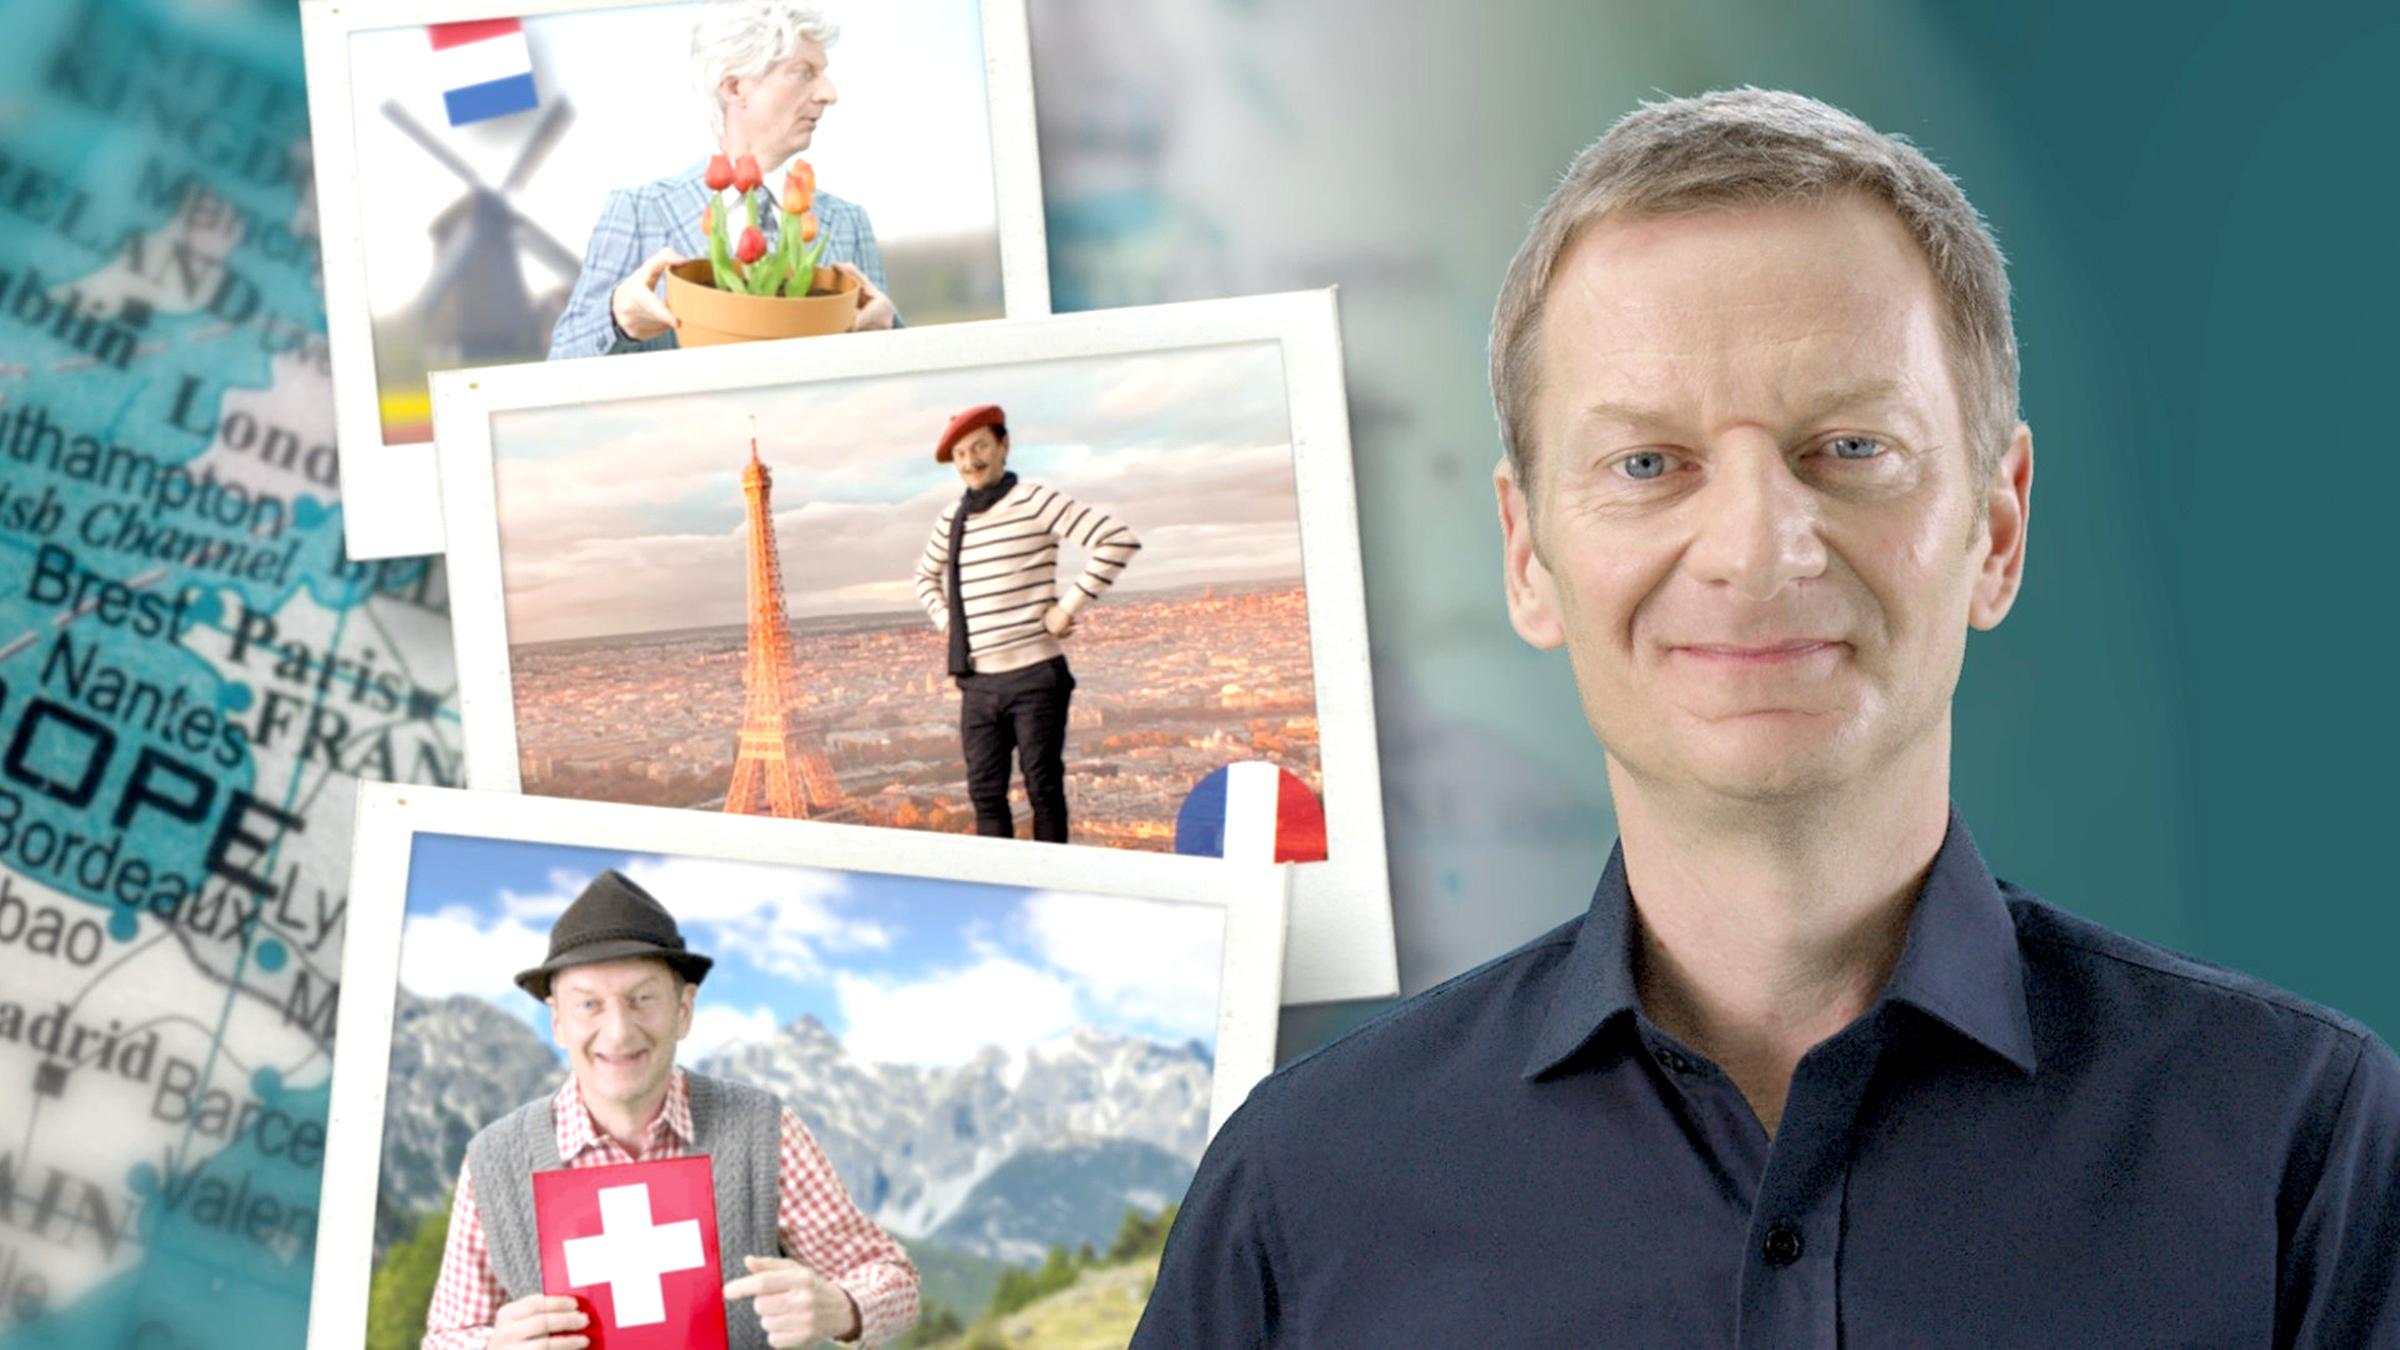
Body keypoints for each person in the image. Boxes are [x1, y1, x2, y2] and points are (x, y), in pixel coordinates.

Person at [1134, 89, 2400, 1347]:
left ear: (1998, 531)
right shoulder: (1298, 1200)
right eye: (1647, 464)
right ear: (1528, 557)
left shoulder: (2300, 1145)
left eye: (1849, 448)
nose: (1754, 549)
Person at [421, 869, 919, 1349]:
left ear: (684, 1010)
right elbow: (446, 1337)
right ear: (557, 1022)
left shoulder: (762, 1131)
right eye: (589, 1005)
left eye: (642, 999)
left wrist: (844, 1307)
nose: (618, 1032)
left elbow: (893, 1279)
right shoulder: (495, 1161)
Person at [545, 0, 897, 361]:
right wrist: (618, 318)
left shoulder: (848, 222)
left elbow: (901, 379)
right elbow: (563, 363)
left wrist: (890, 331)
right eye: (805, 72)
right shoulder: (639, 211)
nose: (829, 93)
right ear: (734, 88)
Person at [912, 404, 1141, 843]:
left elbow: (1116, 539)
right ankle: (998, 888)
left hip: (1035, 677)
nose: (969, 461)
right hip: (978, 683)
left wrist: (1067, 608)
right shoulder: (952, 517)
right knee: (985, 794)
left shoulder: (1035, 499)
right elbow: (924, 576)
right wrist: (951, 627)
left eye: (979, 447)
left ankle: (1049, 883)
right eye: (959, 454)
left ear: (1004, 446)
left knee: (1043, 789)